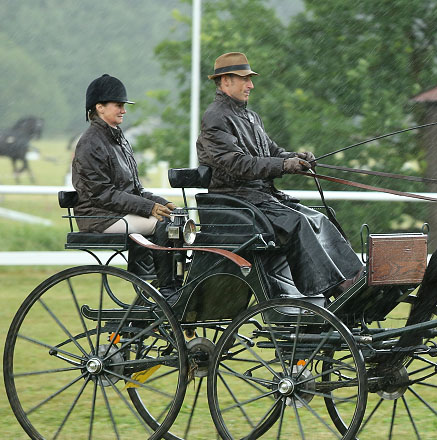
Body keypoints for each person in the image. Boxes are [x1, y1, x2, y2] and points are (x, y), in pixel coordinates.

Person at [196, 52, 363, 300]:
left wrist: (298, 158)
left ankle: (355, 277)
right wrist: (285, 165)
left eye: (250, 79)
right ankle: (332, 287)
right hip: (236, 200)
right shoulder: (216, 117)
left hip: (262, 198)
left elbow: (272, 152)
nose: (251, 85)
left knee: (318, 218)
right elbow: (237, 164)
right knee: (298, 222)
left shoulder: (251, 117)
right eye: (245, 79)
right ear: (226, 81)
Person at [72, 74, 179, 298]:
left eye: (123, 106)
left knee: (177, 218)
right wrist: (149, 209)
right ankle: (166, 290)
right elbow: (103, 195)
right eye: (118, 105)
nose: (124, 110)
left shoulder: (119, 140)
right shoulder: (90, 143)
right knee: (164, 225)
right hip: (100, 217)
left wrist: (164, 204)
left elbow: (136, 189)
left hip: (118, 212)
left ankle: (166, 285)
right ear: (100, 107)